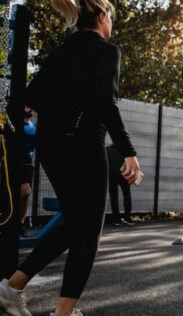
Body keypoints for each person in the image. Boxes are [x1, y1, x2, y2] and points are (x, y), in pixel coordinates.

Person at [0, 1, 141, 315]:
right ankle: (62, 312)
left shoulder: (61, 52)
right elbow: (106, 103)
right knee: (87, 231)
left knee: (78, 223)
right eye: (111, 19)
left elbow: (30, 96)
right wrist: (128, 151)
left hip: (50, 147)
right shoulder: (107, 51)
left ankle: (12, 287)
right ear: (103, 17)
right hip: (84, 146)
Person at [106, 144, 134, 227]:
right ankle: (127, 217)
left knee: (114, 198)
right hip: (124, 175)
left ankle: (116, 220)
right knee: (127, 196)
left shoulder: (107, 150)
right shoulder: (125, 149)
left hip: (112, 175)